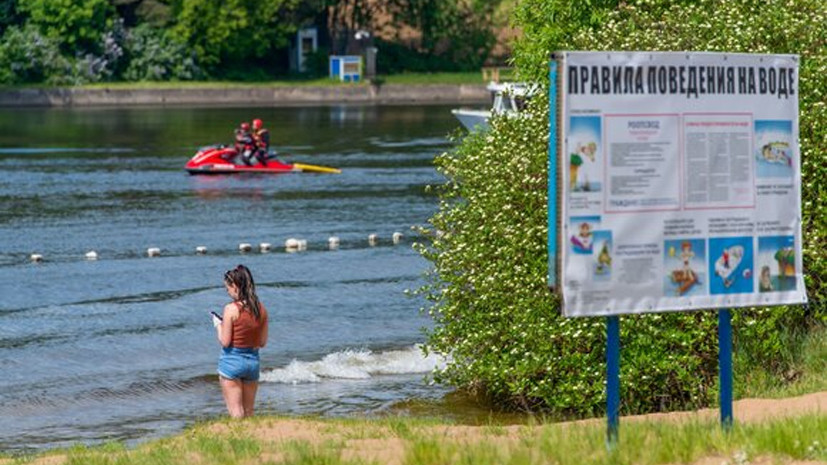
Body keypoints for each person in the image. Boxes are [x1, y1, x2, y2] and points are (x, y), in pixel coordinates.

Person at [214, 264, 269, 418]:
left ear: (236, 287)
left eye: (228, 289)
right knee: (249, 412)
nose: (228, 292)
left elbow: (225, 342)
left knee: (236, 412)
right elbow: (262, 342)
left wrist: (218, 325)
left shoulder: (231, 309)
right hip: (252, 362)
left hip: (232, 361)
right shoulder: (261, 309)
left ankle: (238, 440)